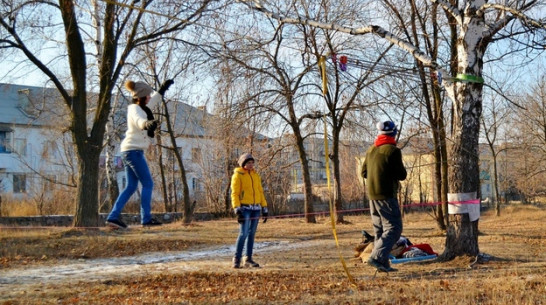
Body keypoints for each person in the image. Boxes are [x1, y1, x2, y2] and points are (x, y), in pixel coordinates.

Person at [106, 79, 173, 229]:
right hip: (133, 151)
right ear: (141, 97)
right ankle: (146, 219)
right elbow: (138, 121)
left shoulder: (143, 107)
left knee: (131, 186)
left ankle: (113, 217)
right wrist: (147, 124)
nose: (149, 97)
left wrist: (162, 90)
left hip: (130, 151)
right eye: (147, 95)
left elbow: (154, 101)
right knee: (148, 183)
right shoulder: (135, 109)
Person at [361, 120, 407, 272]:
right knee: (394, 228)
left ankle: (383, 264)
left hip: (372, 196)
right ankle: (376, 257)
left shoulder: (371, 150)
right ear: (393, 133)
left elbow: (364, 173)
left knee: (380, 230)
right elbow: (402, 175)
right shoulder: (393, 151)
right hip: (386, 195)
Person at [231, 153, 269, 268]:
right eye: (248, 163)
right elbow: (235, 193)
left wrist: (264, 207)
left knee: (251, 234)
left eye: (252, 163)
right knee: (243, 233)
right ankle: (236, 258)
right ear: (243, 164)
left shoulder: (256, 175)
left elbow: (260, 192)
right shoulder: (238, 175)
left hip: (256, 209)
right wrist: (237, 208)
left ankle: (248, 258)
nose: (251, 165)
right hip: (244, 209)